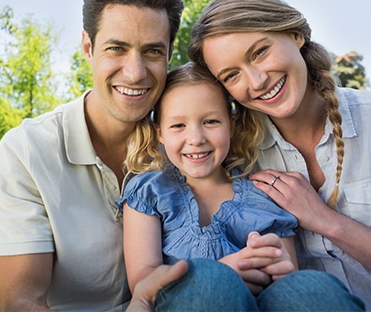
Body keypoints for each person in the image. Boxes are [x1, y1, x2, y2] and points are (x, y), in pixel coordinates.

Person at [0, 0, 253, 312]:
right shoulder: (27, 151)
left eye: (151, 51)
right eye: (116, 48)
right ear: (88, 47)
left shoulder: (188, 146)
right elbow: (21, 301)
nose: (135, 73)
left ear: (168, 53)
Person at [188, 0, 370, 310]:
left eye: (259, 52)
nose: (256, 81)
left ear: (295, 34)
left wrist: (325, 220)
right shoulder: (233, 158)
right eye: (232, 75)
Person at [117, 62, 299, 298]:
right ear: (159, 132)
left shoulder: (262, 195)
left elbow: (289, 280)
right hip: (185, 305)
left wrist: (273, 265)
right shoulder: (150, 192)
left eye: (210, 122)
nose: (196, 138)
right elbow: (143, 283)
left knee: (312, 286)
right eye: (178, 125)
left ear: (231, 125)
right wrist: (222, 273)